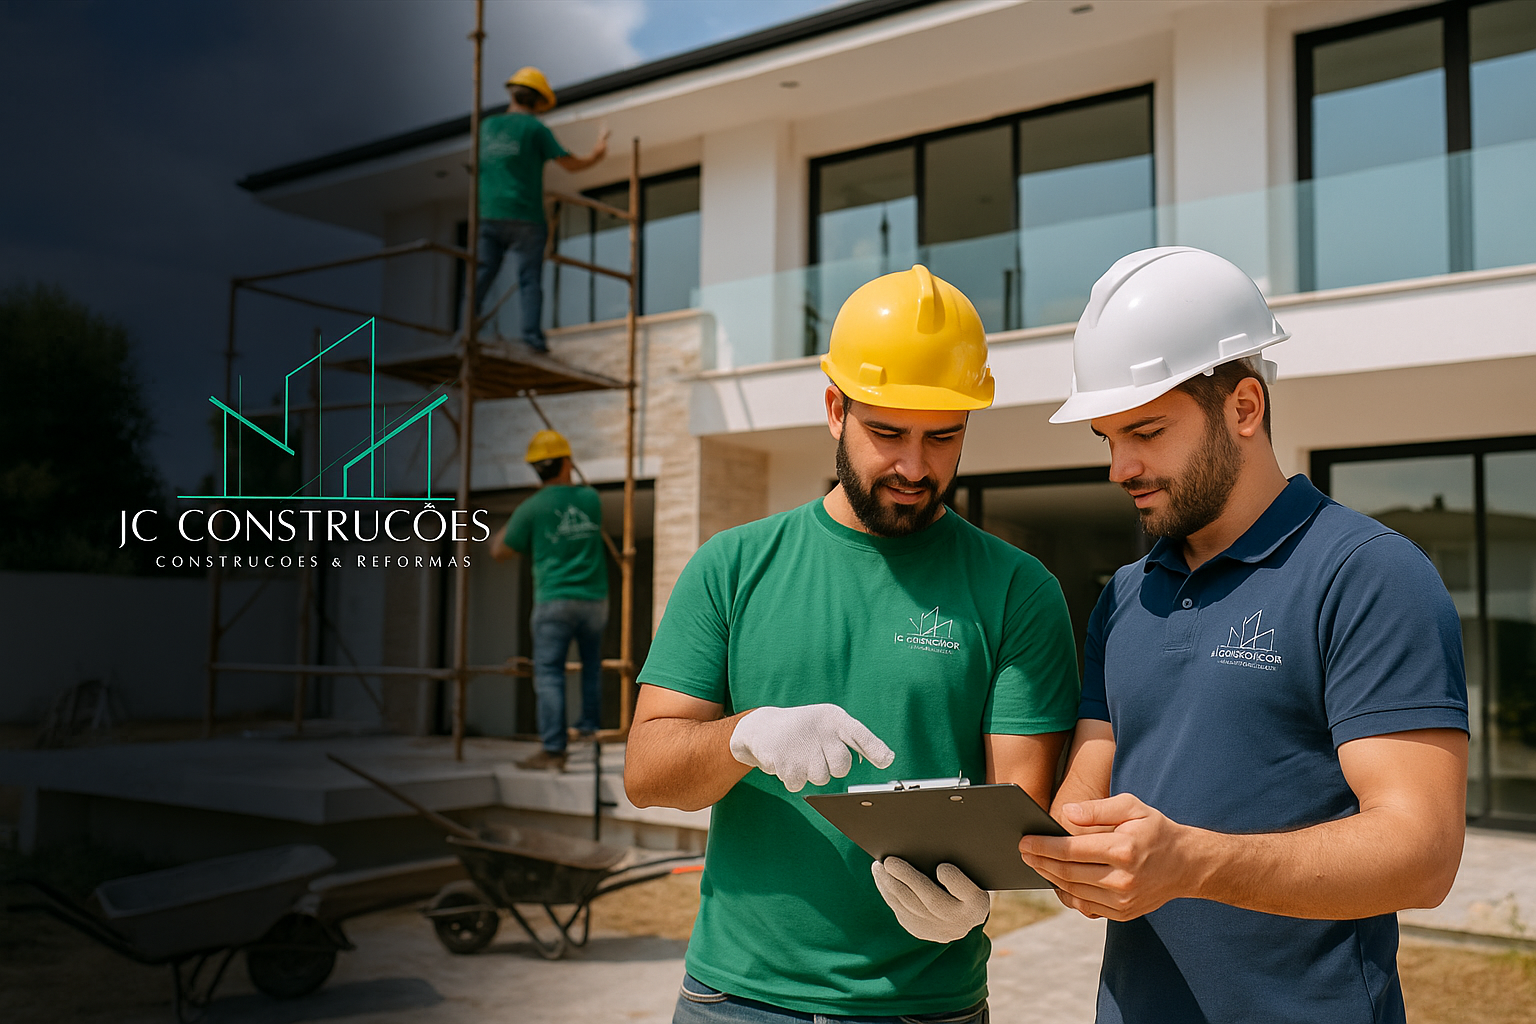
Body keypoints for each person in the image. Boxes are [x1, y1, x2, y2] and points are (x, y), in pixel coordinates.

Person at [1020, 246, 1469, 1023]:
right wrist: (1053, 856)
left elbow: (1422, 854)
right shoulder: (1123, 596)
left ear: (1245, 408)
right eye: (1107, 438)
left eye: (1146, 431)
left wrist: (1193, 863)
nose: (1121, 467)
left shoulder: (1368, 573)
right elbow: (1084, 794)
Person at [624, 265, 1081, 1022]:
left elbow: (1015, 810)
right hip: (736, 1000)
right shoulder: (732, 567)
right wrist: (744, 736)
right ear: (836, 409)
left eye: (943, 437)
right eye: (888, 433)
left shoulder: (1017, 589)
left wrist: (973, 896)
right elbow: (647, 773)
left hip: (924, 1004)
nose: (914, 466)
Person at [492, 429, 608, 771]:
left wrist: (520, 525)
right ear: (567, 463)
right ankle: (589, 727)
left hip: (554, 600)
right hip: (595, 600)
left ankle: (554, 751)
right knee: (591, 666)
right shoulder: (591, 499)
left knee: (549, 674)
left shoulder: (531, 508)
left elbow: (499, 550)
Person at [476, 66, 609, 352]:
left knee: (481, 274)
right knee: (529, 281)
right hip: (526, 216)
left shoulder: (486, 127)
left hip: (488, 213)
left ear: (512, 94)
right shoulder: (535, 129)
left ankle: (465, 330)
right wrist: (596, 155)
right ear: (538, 101)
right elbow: (570, 164)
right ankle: (532, 340)